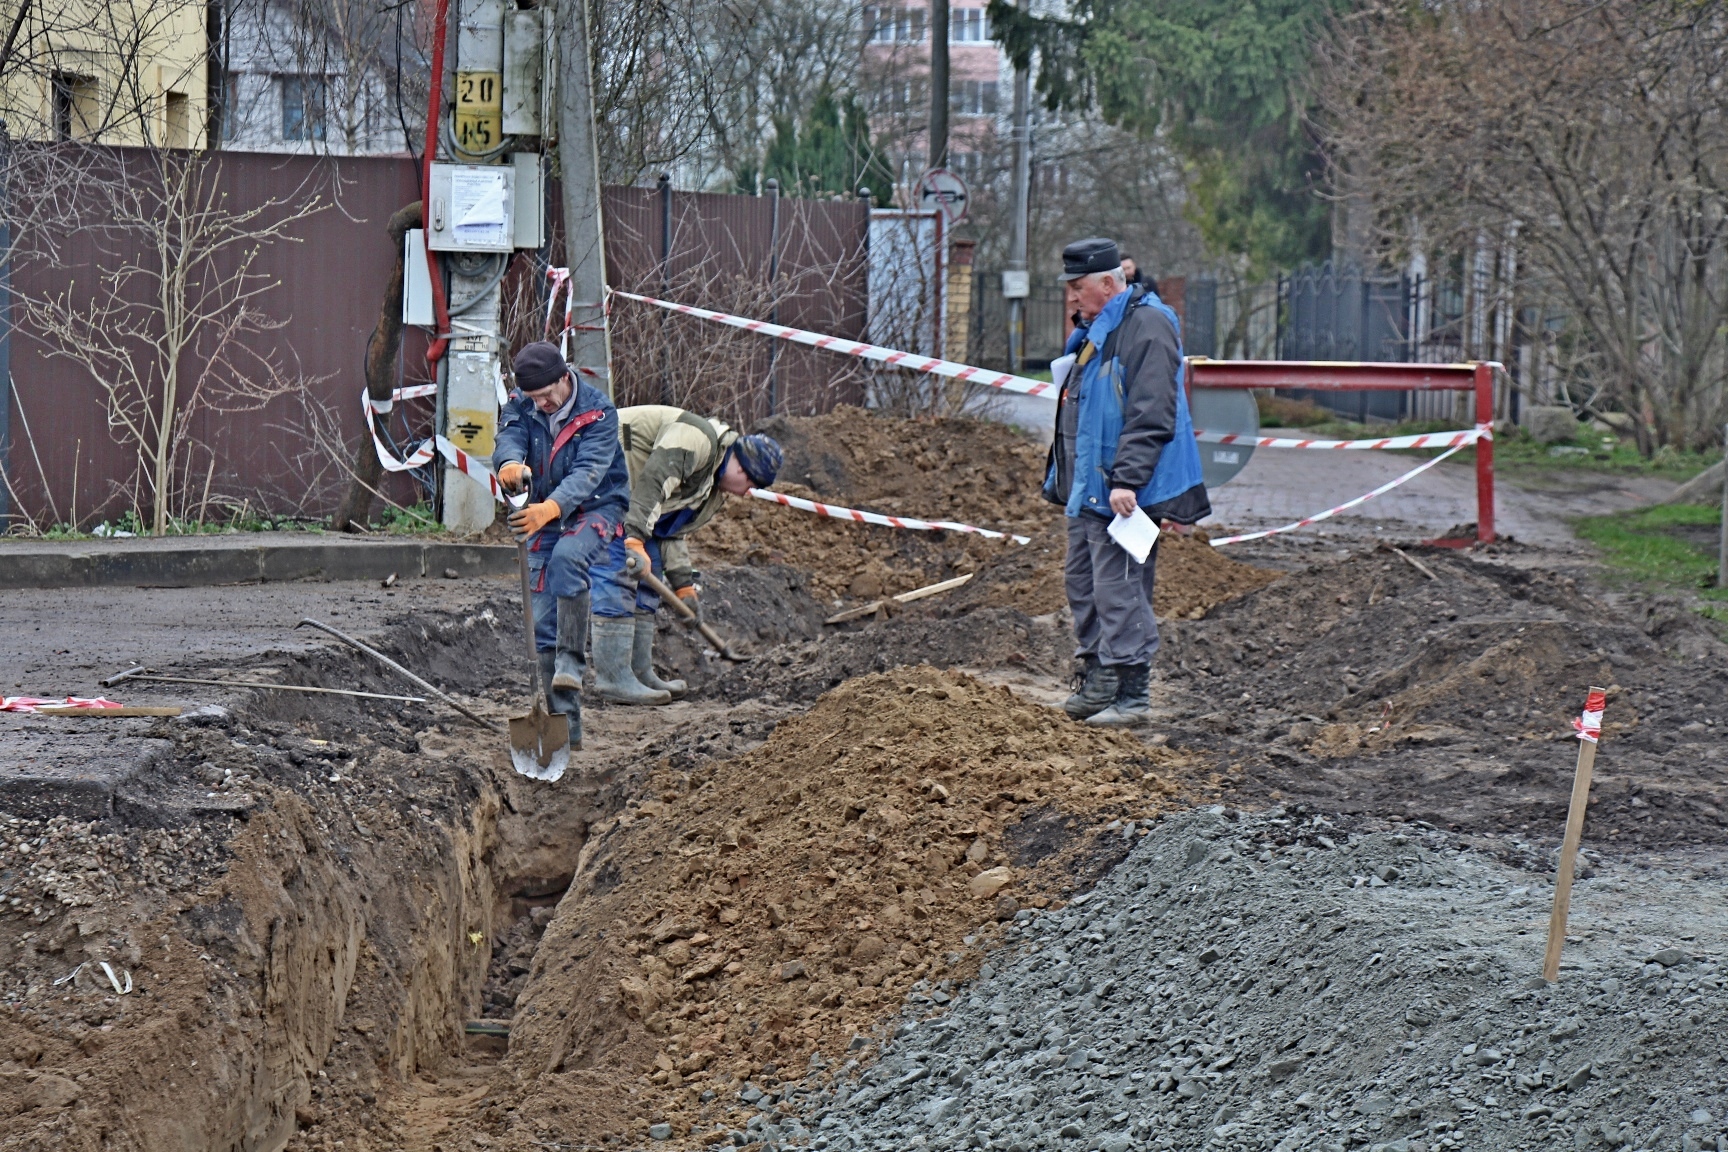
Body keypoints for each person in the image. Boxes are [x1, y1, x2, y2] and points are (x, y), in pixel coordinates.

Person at [1045, 237, 1209, 727]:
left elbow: (1152, 410)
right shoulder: (1099, 329)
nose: (1072, 298)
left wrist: (1127, 479)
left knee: (1120, 587)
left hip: (1123, 488)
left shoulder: (1148, 326)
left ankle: (1131, 692)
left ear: (1109, 283)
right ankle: (1099, 678)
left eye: (1079, 288)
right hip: (1090, 486)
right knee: (1083, 581)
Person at [590, 405, 784, 704]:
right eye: (750, 484)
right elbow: (653, 481)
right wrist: (633, 539)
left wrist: (684, 587)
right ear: (741, 468)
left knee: (650, 568)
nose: (746, 493)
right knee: (619, 567)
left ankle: (639, 673)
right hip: (600, 458)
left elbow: (670, 529)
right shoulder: (697, 439)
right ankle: (613, 678)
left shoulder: (712, 487)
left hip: (634, 495)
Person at [493, 341, 631, 743]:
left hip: (596, 506)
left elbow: (589, 473)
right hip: (542, 508)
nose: (544, 403)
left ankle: (572, 662)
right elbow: (510, 437)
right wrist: (509, 464)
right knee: (540, 619)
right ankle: (565, 734)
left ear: (564, 377)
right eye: (535, 398)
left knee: (568, 560)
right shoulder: (522, 403)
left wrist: (548, 509)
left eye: (549, 394)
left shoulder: (599, 412)